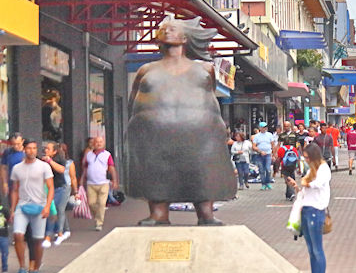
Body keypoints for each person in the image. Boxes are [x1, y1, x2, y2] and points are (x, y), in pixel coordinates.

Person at [127, 17, 236, 225]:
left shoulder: (205, 69)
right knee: (157, 170)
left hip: (200, 135)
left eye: (172, 28)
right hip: (154, 135)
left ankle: (205, 212)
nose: (167, 31)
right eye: (163, 28)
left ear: (185, 38)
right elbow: (133, 101)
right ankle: (159, 213)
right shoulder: (146, 70)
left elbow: (210, 97)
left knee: (200, 169)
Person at [286, 143, 330, 273]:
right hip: (306, 209)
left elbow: (318, 184)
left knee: (317, 249)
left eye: (307, 157)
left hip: (316, 211)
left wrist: (306, 183)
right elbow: (305, 192)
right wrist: (297, 186)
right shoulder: (312, 169)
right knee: (311, 251)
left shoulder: (323, 168)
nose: (305, 160)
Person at [9, 140, 54, 273]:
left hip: (39, 207)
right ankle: (22, 267)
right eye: (29, 148)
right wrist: (12, 209)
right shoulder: (17, 168)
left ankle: (35, 269)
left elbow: (51, 187)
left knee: (38, 240)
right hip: (22, 206)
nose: (32, 151)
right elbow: (15, 190)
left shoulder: (44, 166)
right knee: (18, 235)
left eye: (34, 148)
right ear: (24, 149)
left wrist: (47, 207)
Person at [79, 136, 118, 231]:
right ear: (93, 143)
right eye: (97, 142)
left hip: (103, 183)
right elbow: (85, 168)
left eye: (101, 142)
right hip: (90, 183)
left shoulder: (107, 155)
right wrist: (82, 180)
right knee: (91, 203)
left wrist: (115, 180)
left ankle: (99, 223)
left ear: (104, 143)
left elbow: (111, 168)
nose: (99, 144)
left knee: (101, 203)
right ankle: (98, 216)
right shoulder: (89, 155)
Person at [42, 141, 68, 249]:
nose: (46, 150)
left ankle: (54, 234)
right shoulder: (42, 160)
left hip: (59, 188)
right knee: (53, 210)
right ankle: (62, 231)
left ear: (54, 151)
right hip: (47, 189)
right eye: (45, 148)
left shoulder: (60, 159)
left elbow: (61, 170)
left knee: (56, 210)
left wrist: (50, 161)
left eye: (48, 149)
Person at [251, 122, 276, 191]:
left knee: (268, 169)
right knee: (261, 170)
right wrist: (260, 151)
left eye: (265, 127)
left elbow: (273, 145)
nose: (265, 128)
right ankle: (263, 184)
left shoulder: (269, 135)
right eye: (263, 127)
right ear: (260, 128)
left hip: (268, 154)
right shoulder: (257, 136)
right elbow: (253, 146)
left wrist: (274, 155)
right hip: (259, 155)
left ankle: (268, 182)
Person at [1, 134, 24, 200]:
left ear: (22, 141)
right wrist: (4, 183)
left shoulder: (27, 151)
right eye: (13, 144)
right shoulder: (8, 152)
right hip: (12, 184)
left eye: (18, 144)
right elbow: (3, 168)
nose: (16, 146)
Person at [0, 199, 8, 273]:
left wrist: (6, 220)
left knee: (5, 253)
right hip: (3, 234)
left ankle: (4, 268)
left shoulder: (4, 210)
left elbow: (9, 219)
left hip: (3, 234)